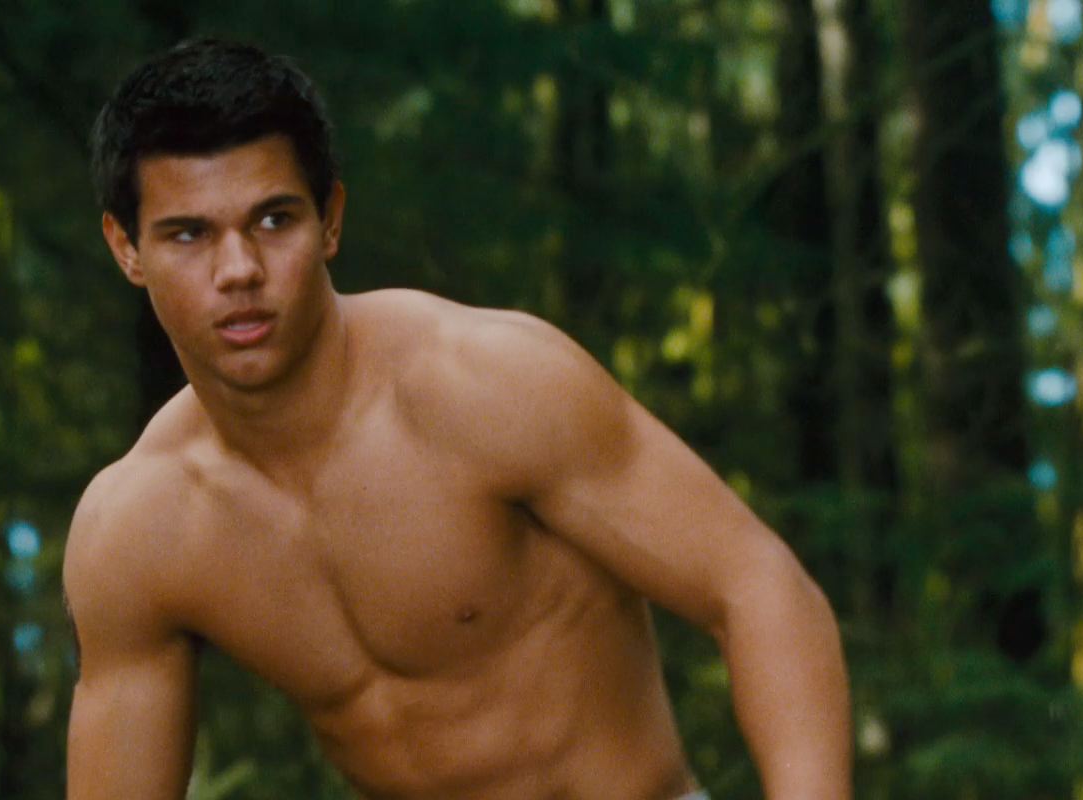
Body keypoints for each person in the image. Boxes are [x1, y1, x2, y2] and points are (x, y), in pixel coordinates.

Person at [63, 38, 850, 800]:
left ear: (329, 219)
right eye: (189, 234)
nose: (238, 270)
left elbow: (758, 585)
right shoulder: (140, 529)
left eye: (274, 220)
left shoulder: (483, 384)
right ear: (126, 247)